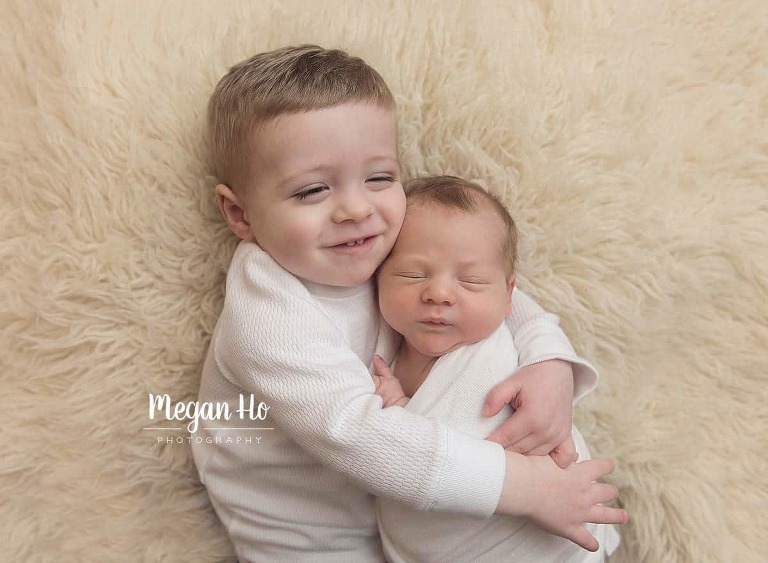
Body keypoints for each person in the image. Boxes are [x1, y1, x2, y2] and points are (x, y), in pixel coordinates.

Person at [191, 45, 628, 562]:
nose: (357, 209)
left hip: (403, 513)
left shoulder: (366, 240)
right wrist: (530, 487)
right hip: (315, 540)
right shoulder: (267, 316)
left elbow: (489, 286)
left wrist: (547, 363)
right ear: (240, 213)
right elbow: (359, 435)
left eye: (379, 177)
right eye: (312, 191)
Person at [372, 175, 622, 562]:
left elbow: (542, 341)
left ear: (508, 296)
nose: (438, 293)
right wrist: (398, 407)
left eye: (470, 281)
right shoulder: (380, 357)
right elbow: (416, 453)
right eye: (413, 274)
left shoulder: (513, 346)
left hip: (541, 539)